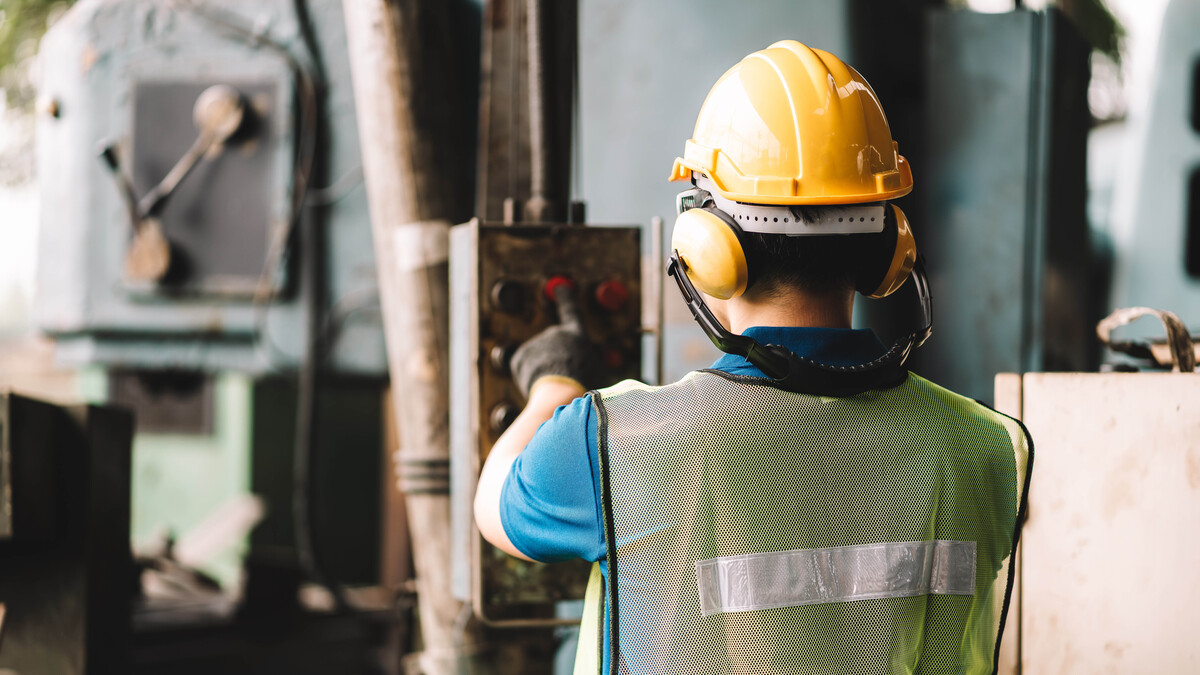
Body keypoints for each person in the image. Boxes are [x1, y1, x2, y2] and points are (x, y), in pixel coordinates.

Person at [475, 40, 1032, 675]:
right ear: (887, 248)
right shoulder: (986, 450)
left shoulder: (614, 441)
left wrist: (553, 384)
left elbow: (495, 507)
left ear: (708, 247)